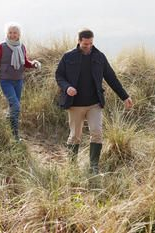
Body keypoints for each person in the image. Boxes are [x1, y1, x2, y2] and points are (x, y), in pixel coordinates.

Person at [55, 28, 133, 174]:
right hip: (75, 104)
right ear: (78, 42)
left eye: (90, 43)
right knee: (75, 136)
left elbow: (111, 78)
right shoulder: (68, 57)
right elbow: (59, 75)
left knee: (97, 132)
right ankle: (72, 167)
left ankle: (94, 167)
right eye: (85, 44)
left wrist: (125, 96)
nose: (88, 47)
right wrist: (67, 87)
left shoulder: (99, 57)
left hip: (94, 104)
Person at [0, 23, 41, 141]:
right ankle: (15, 134)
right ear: (7, 34)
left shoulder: (22, 47)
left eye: (14, 32)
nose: (12, 35)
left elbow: (25, 62)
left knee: (13, 107)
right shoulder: (1, 47)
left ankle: (10, 128)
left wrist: (34, 64)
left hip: (18, 80)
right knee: (15, 105)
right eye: (10, 32)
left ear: (19, 34)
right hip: (6, 81)